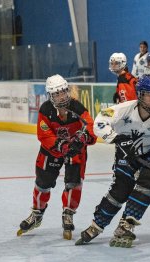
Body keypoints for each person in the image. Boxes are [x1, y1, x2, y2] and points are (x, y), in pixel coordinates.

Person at [75, 75, 150, 248]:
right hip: (126, 153)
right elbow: (99, 121)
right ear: (140, 95)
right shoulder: (124, 109)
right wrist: (117, 139)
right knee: (121, 190)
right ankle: (97, 224)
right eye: (149, 95)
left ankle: (126, 224)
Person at [17, 74, 97, 240]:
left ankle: (68, 213)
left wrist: (82, 139)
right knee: (42, 183)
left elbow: (90, 128)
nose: (61, 97)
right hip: (52, 151)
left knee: (74, 183)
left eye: (63, 92)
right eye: (56, 94)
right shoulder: (46, 110)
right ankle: (37, 213)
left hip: (75, 150)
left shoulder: (78, 108)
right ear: (50, 95)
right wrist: (61, 145)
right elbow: (44, 134)